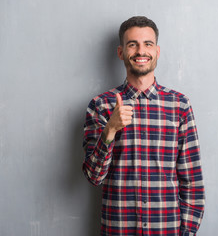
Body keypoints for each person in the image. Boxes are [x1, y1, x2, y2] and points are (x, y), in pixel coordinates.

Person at [82, 16, 205, 236]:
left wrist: (186, 233)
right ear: (121, 53)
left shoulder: (180, 105)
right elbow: (94, 176)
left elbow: (192, 182)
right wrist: (110, 130)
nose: (141, 51)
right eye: (132, 44)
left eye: (147, 44)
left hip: (166, 230)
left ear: (157, 51)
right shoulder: (100, 105)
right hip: (118, 230)